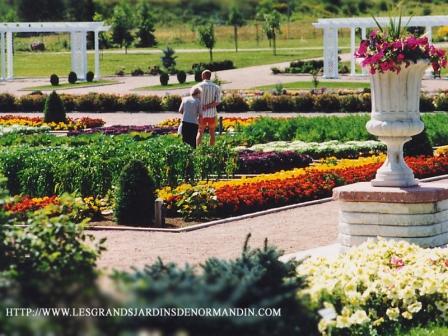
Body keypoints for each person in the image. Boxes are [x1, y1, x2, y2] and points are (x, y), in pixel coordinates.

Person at [194, 70, 221, 146]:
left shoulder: (197, 86)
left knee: (200, 132)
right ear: (210, 76)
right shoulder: (216, 87)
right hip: (212, 113)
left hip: (201, 114)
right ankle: (211, 150)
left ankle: (198, 150)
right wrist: (208, 106)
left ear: (203, 76)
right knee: (212, 133)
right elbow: (217, 102)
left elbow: (194, 100)